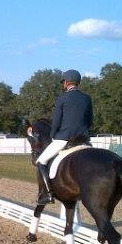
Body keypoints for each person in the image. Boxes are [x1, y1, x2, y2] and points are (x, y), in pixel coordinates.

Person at [35, 69, 93, 205]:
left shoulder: (62, 98)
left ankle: (48, 194)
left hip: (64, 138)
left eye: (63, 82)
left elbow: (56, 121)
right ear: (78, 82)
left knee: (41, 161)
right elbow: (90, 121)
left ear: (66, 83)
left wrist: (53, 135)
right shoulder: (87, 98)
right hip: (83, 139)